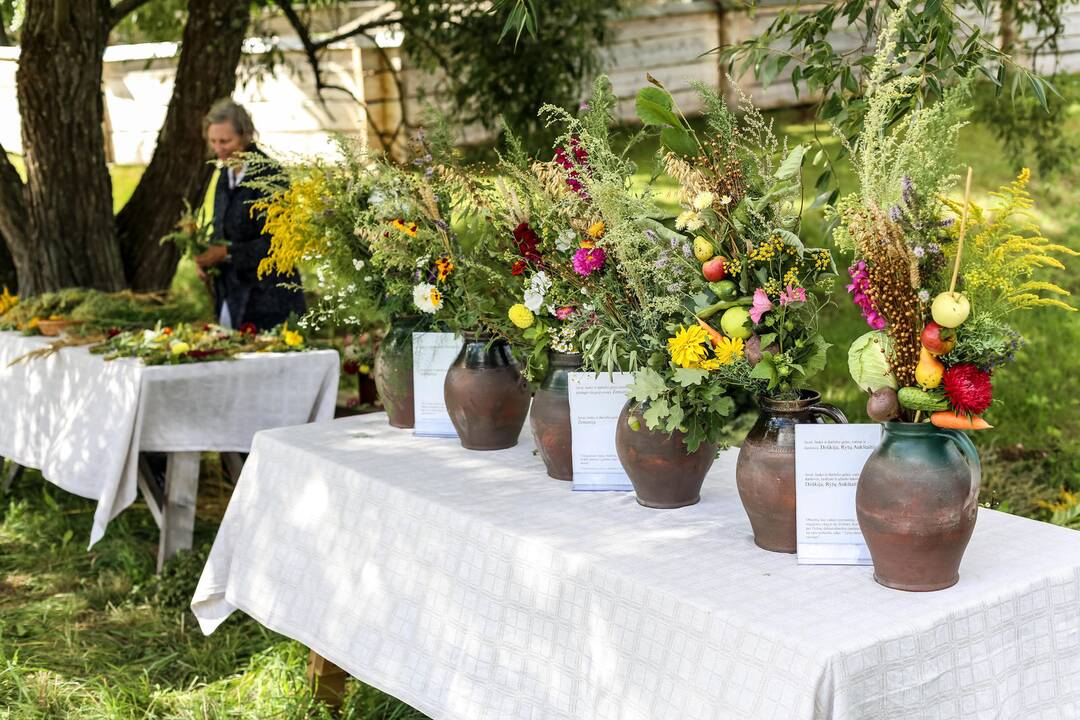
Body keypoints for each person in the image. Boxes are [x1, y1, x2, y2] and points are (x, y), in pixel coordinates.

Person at [196, 98, 305, 331]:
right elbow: (221, 229)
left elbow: (278, 243)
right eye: (213, 141)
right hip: (233, 297)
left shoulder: (270, 176)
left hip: (270, 299)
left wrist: (225, 252)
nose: (218, 148)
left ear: (245, 136)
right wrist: (206, 258)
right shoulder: (225, 174)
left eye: (225, 141)